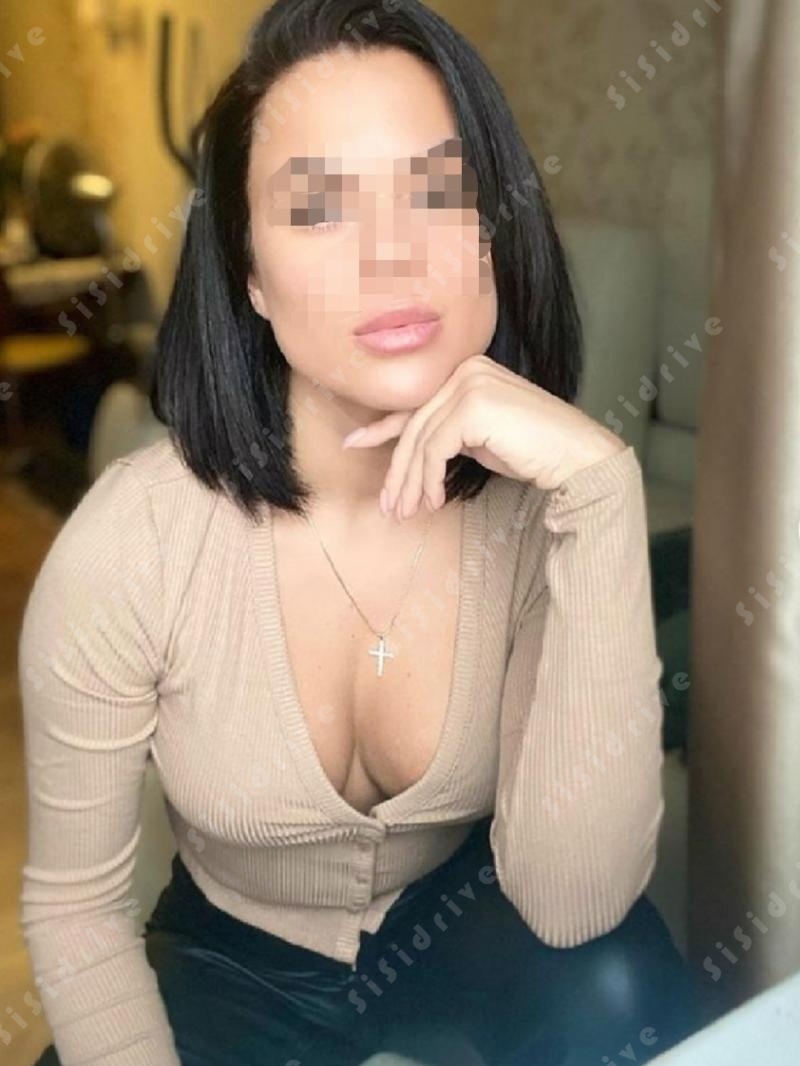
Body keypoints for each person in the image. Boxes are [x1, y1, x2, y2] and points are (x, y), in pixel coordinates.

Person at [19, 1, 710, 1063]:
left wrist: (602, 490)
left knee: (625, 983)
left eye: (438, 191)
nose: (393, 256)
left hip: (469, 923)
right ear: (250, 275)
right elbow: (76, 911)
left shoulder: (546, 512)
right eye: (319, 209)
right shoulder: (133, 543)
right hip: (228, 958)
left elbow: (574, 909)